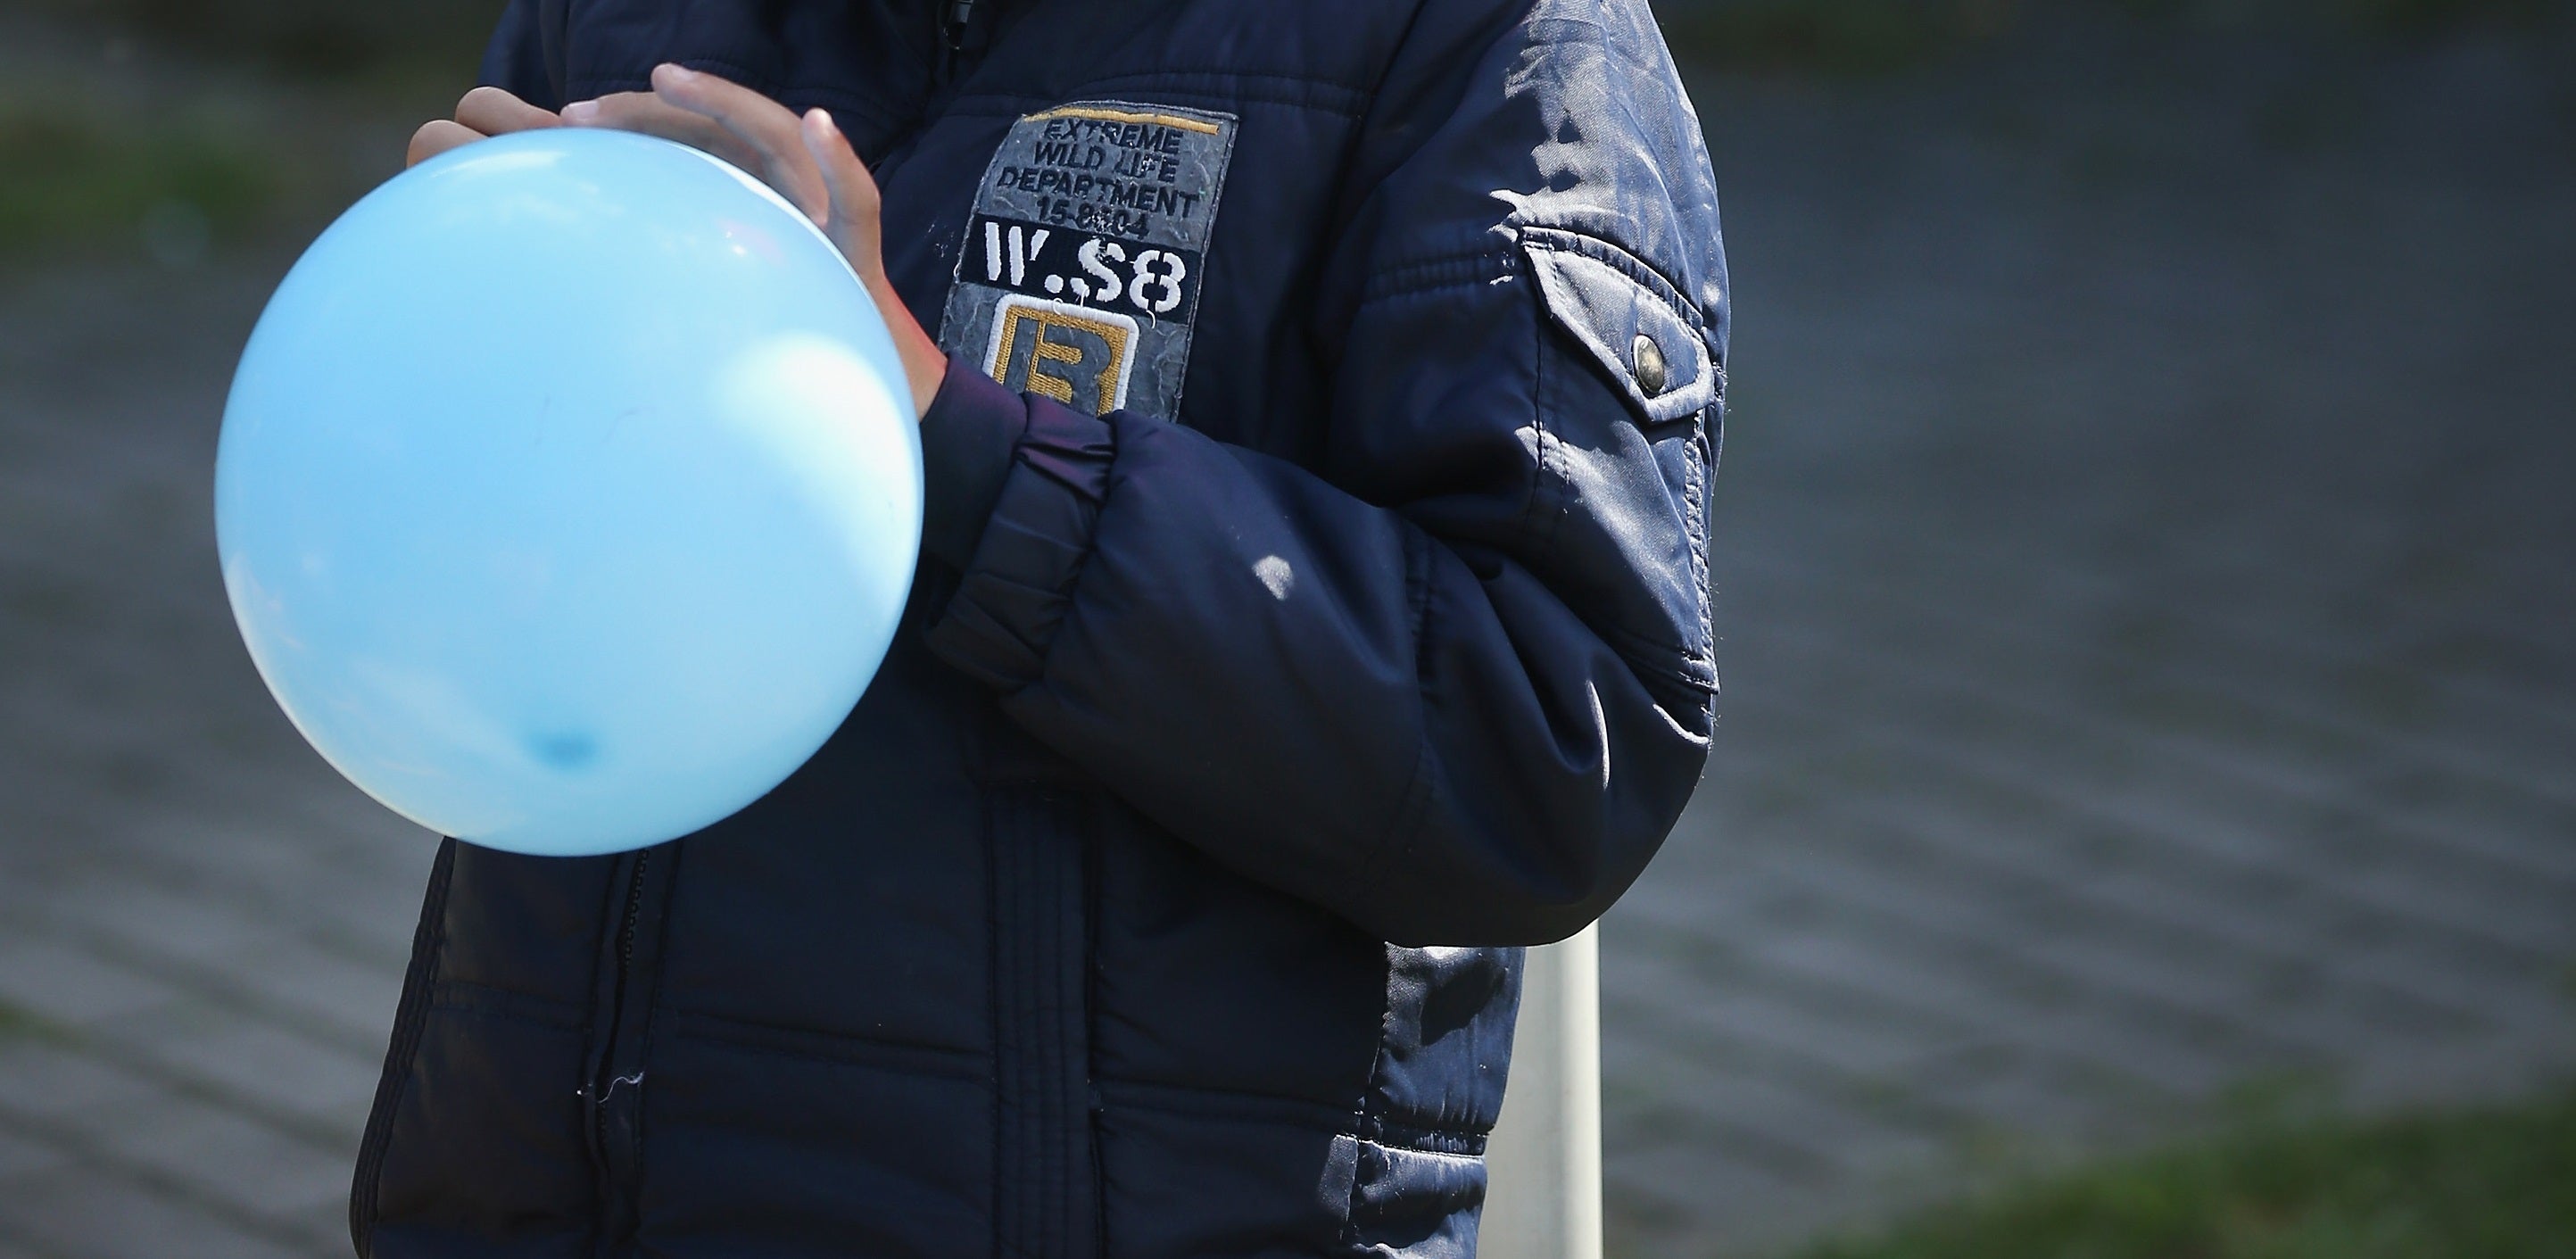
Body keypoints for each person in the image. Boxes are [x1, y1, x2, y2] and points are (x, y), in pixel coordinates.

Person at [355, 1, 1727, 1255]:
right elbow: (503, 610)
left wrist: (943, 437)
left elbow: (1548, 744)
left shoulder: (1491, 36)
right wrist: (475, 381)